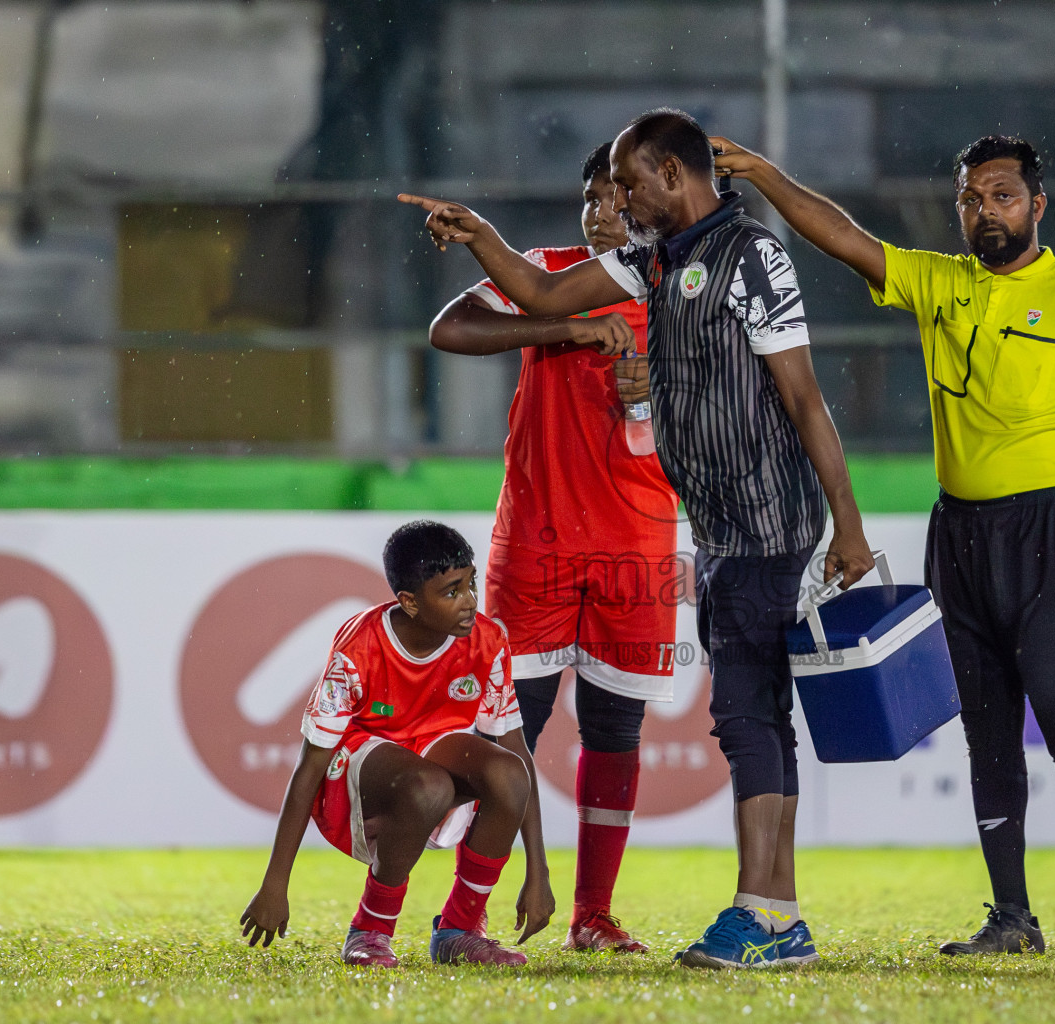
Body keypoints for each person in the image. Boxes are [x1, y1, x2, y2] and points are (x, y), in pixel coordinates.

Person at [398, 107, 875, 970]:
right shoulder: (656, 259)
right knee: (746, 716)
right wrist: (483, 236)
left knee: (747, 714)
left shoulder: (750, 255)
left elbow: (806, 399)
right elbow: (542, 294)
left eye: (626, 184)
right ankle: (774, 914)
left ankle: (765, 915)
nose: (614, 202)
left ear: (670, 175)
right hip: (720, 528)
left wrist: (848, 524)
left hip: (767, 518)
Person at [711, 133, 1055, 958]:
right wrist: (769, 176)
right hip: (955, 533)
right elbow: (842, 237)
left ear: (1035, 205)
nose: (983, 211)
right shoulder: (938, 283)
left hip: (1047, 531)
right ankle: (1012, 919)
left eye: (1000, 196)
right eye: (969, 198)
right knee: (984, 726)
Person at [424, 141, 681, 954]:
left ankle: (593, 917)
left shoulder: (682, 286)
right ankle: (460, 919)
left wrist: (662, 384)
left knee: (614, 733)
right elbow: (450, 327)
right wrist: (563, 327)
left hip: (637, 546)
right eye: (592, 197)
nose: (603, 211)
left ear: (648, 203)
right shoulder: (548, 269)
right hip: (534, 543)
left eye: (618, 197)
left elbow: (732, 398)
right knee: (508, 734)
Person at [239, 520, 551, 968]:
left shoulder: (487, 639)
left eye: (471, 584)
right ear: (408, 602)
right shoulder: (360, 645)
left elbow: (518, 753)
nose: (469, 602)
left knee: (506, 772)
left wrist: (537, 870)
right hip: (356, 774)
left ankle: (459, 929)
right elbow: (309, 767)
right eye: (451, 592)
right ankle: (370, 930)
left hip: (432, 755)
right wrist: (274, 885)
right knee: (429, 786)